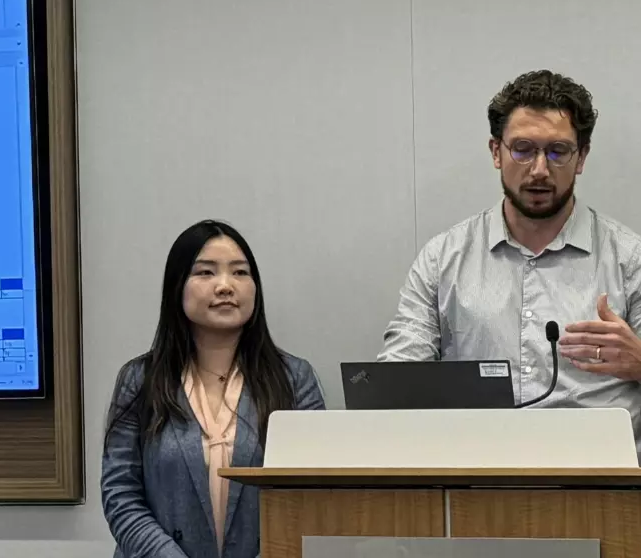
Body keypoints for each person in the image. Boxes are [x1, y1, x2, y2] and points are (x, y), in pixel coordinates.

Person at [379, 69, 641, 452]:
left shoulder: (630, 259)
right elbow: (395, 383)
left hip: (600, 493)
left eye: (558, 151)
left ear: (581, 157)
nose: (539, 169)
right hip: (477, 486)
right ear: (496, 152)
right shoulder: (443, 259)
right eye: (523, 149)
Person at [101, 220, 325, 558]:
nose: (225, 286)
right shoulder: (141, 379)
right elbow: (121, 492)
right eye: (206, 273)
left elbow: (314, 488)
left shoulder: (294, 378)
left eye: (240, 273)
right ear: (177, 287)